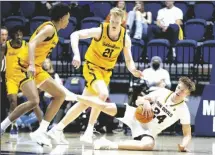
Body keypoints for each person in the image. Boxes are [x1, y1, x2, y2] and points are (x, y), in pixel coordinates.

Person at [47, 7, 143, 144]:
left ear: (122, 22)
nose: (114, 24)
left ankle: (57, 129)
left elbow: (128, 59)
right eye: (113, 21)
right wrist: (76, 54)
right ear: (110, 19)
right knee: (103, 94)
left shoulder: (124, 38)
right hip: (92, 67)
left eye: (117, 22)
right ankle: (89, 131)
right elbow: (75, 35)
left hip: (106, 72)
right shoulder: (100, 31)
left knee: (84, 103)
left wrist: (133, 70)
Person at [0, 3, 70, 147]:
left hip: (37, 68)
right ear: (62, 18)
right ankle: (2, 127)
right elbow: (31, 44)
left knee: (60, 95)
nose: (68, 22)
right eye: (67, 18)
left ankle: (42, 130)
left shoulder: (54, 30)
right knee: (34, 101)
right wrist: (31, 64)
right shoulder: (49, 28)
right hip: (24, 66)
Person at [62, 77, 194, 152]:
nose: (178, 91)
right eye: (178, 88)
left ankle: (108, 144)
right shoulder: (163, 92)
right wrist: (145, 102)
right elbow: (138, 100)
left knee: (148, 145)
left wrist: (184, 144)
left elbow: (187, 133)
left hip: (147, 131)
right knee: (103, 106)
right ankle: (75, 97)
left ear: (187, 94)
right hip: (134, 115)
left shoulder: (183, 110)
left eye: (182, 91)